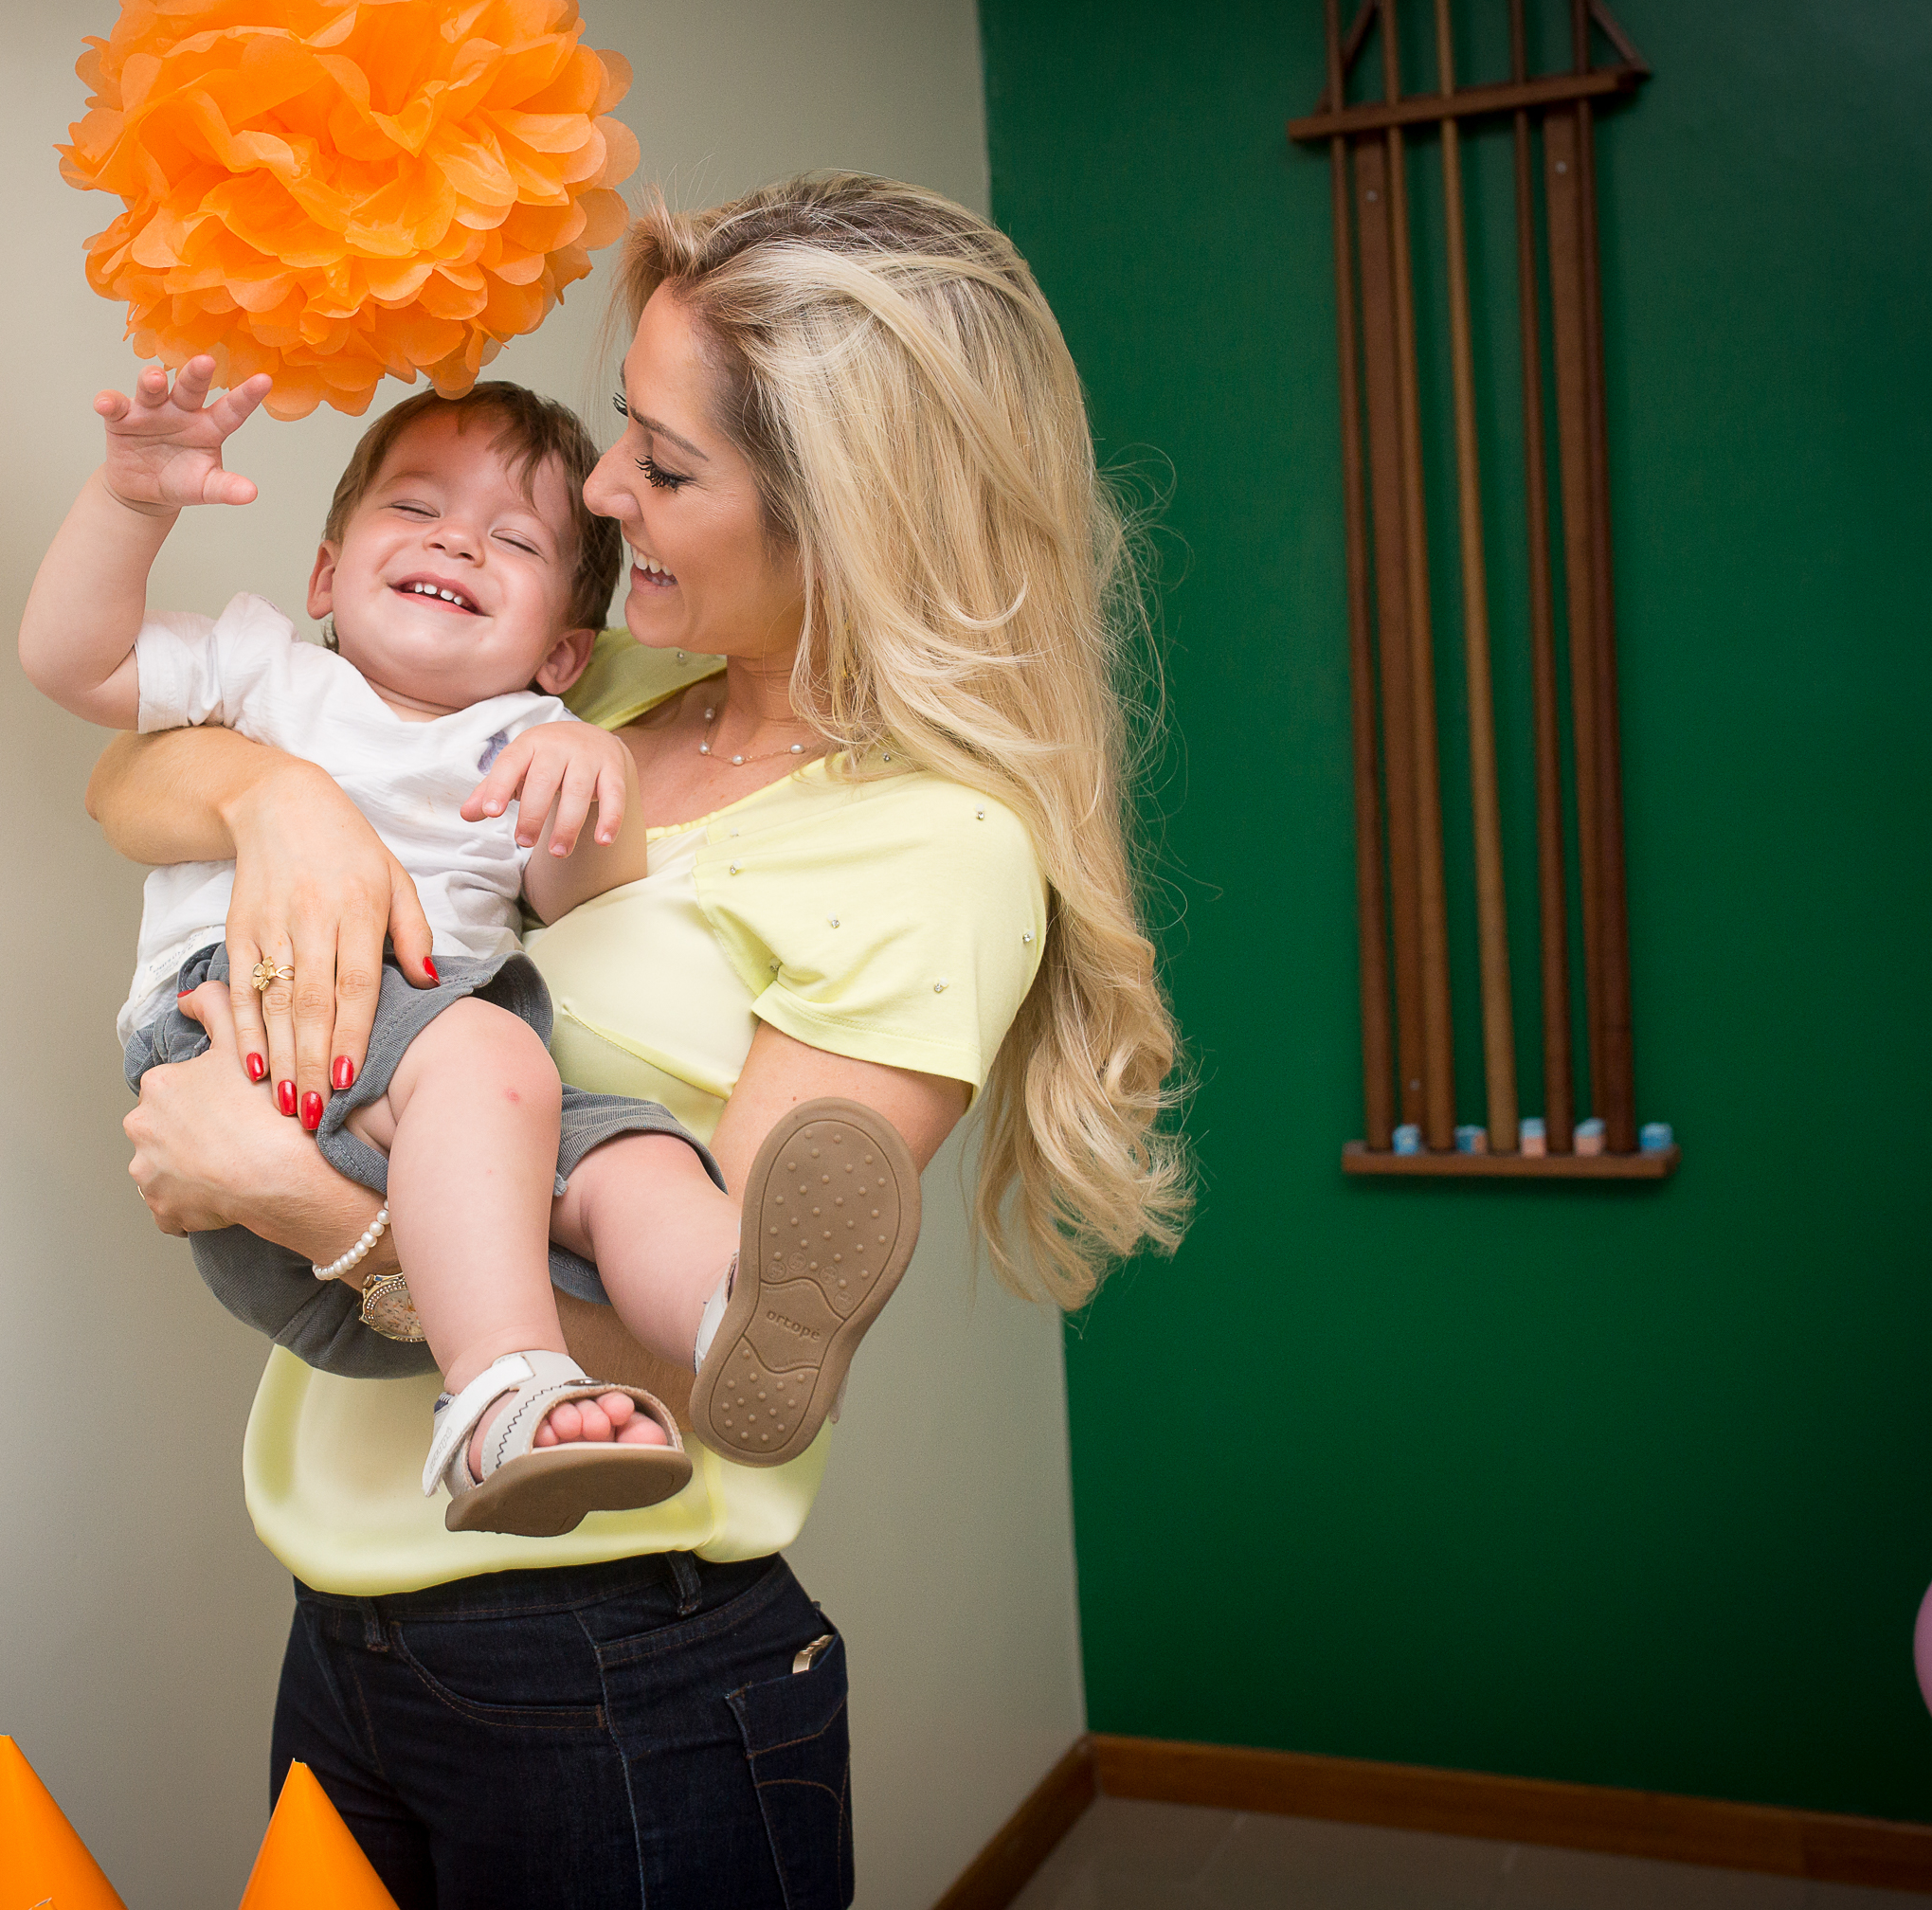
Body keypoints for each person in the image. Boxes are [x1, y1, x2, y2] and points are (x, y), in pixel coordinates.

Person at [89, 171, 1187, 1907]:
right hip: (346, 1610)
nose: (598, 493)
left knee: (631, 1186)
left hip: (614, 1655)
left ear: (844, 518)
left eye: (664, 467)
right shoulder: (588, 683)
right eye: (623, 432)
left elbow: (723, 1395)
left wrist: (310, 1210)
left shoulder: (932, 848)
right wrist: (280, 800)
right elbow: (129, 776)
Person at [19, 367, 927, 1534]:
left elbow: (581, 899)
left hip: (441, 1107)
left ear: (563, 654)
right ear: (324, 574)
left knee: (636, 1159)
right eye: (413, 507)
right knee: (494, 1058)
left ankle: (742, 1321)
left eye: (514, 540)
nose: (455, 541)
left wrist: (596, 781)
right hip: (250, 1036)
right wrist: (131, 500)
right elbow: (73, 662)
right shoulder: (265, 677)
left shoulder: (531, 738)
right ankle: (498, 1391)